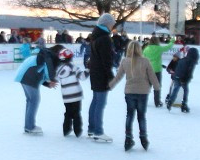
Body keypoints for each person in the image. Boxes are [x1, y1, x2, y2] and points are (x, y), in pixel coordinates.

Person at [108, 40, 159, 151]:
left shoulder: (125, 61)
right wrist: (157, 88)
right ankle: (143, 138)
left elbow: (118, 77)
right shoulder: (145, 61)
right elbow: (152, 76)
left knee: (130, 115)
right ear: (139, 49)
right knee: (141, 116)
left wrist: (110, 86)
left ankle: (128, 138)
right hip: (143, 92)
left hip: (130, 92)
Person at [13, 37, 56, 135]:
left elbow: (38, 71)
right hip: (29, 79)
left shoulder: (34, 53)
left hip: (23, 77)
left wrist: (46, 83)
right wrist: (52, 79)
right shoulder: (44, 53)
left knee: (30, 101)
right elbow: (48, 68)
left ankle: (28, 126)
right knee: (34, 100)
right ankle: (30, 127)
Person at [87, 13, 117, 142]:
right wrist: (110, 76)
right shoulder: (104, 38)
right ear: (107, 24)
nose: (112, 26)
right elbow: (106, 60)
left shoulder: (95, 36)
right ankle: (98, 131)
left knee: (96, 101)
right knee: (100, 102)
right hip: (101, 74)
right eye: (112, 24)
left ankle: (92, 128)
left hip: (95, 73)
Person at [54, 47, 86, 137]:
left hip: (66, 96)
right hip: (76, 95)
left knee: (68, 112)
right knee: (76, 113)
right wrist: (88, 70)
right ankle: (77, 131)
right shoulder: (73, 67)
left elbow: (56, 79)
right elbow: (82, 77)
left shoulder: (58, 70)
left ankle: (66, 130)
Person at [167, 46, 199, 112]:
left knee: (176, 89)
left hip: (176, 76)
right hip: (182, 77)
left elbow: (178, 68)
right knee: (185, 90)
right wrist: (184, 80)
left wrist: (175, 76)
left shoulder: (183, 59)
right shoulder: (191, 61)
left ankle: (170, 102)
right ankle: (184, 104)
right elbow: (188, 71)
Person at [142, 36, 166, 108]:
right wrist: (172, 41)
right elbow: (168, 47)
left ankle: (143, 101)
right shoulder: (159, 48)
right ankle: (157, 102)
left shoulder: (146, 49)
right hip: (157, 70)